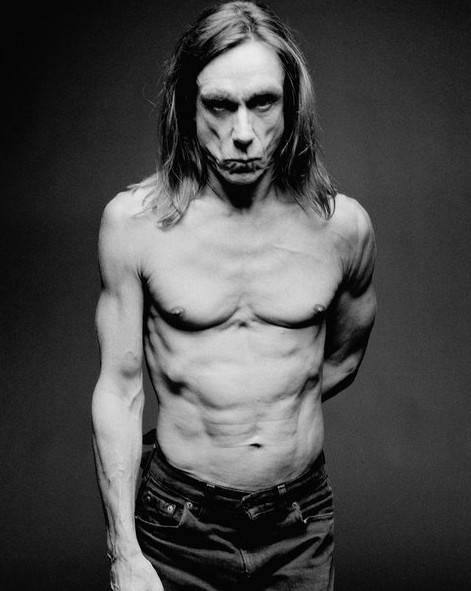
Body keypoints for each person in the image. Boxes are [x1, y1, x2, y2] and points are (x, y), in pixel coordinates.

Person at [91, 1, 376, 590]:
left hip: (299, 524)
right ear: (187, 107)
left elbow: (344, 356)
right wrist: (123, 550)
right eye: (220, 105)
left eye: (263, 102)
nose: (243, 134)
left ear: (292, 105)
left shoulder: (343, 228)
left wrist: (267, 405)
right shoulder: (134, 225)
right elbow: (119, 391)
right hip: (178, 524)